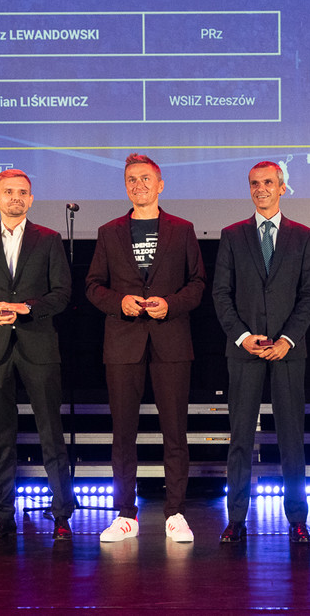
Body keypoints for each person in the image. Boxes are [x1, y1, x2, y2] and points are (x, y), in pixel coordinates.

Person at [86, 154, 206, 545]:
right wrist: (117, 302)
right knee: (123, 434)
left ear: (160, 184)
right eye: (132, 179)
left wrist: (170, 304)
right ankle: (125, 515)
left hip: (171, 340)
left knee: (175, 432)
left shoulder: (182, 230)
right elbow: (93, 286)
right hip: (123, 343)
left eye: (145, 178)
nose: (139, 185)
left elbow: (197, 284)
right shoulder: (109, 232)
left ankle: (176, 513)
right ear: (126, 186)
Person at [0, 169, 76, 542]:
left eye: (22, 192)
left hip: (38, 345)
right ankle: (3, 516)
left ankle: (62, 514)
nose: (15, 197)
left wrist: (28, 308)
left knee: (51, 434)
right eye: (8, 191)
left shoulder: (49, 239)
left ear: (31, 199)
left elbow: (62, 293)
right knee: (2, 436)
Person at [212, 161, 310, 545]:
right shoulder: (232, 235)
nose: (261, 189)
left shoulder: (303, 236)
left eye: (268, 182)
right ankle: (235, 519)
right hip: (245, 351)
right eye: (255, 183)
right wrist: (243, 337)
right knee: (240, 439)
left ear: (282, 187)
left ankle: (298, 519)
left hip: (288, 352)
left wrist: (287, 339)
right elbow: (221, 294)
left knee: (292, 440)